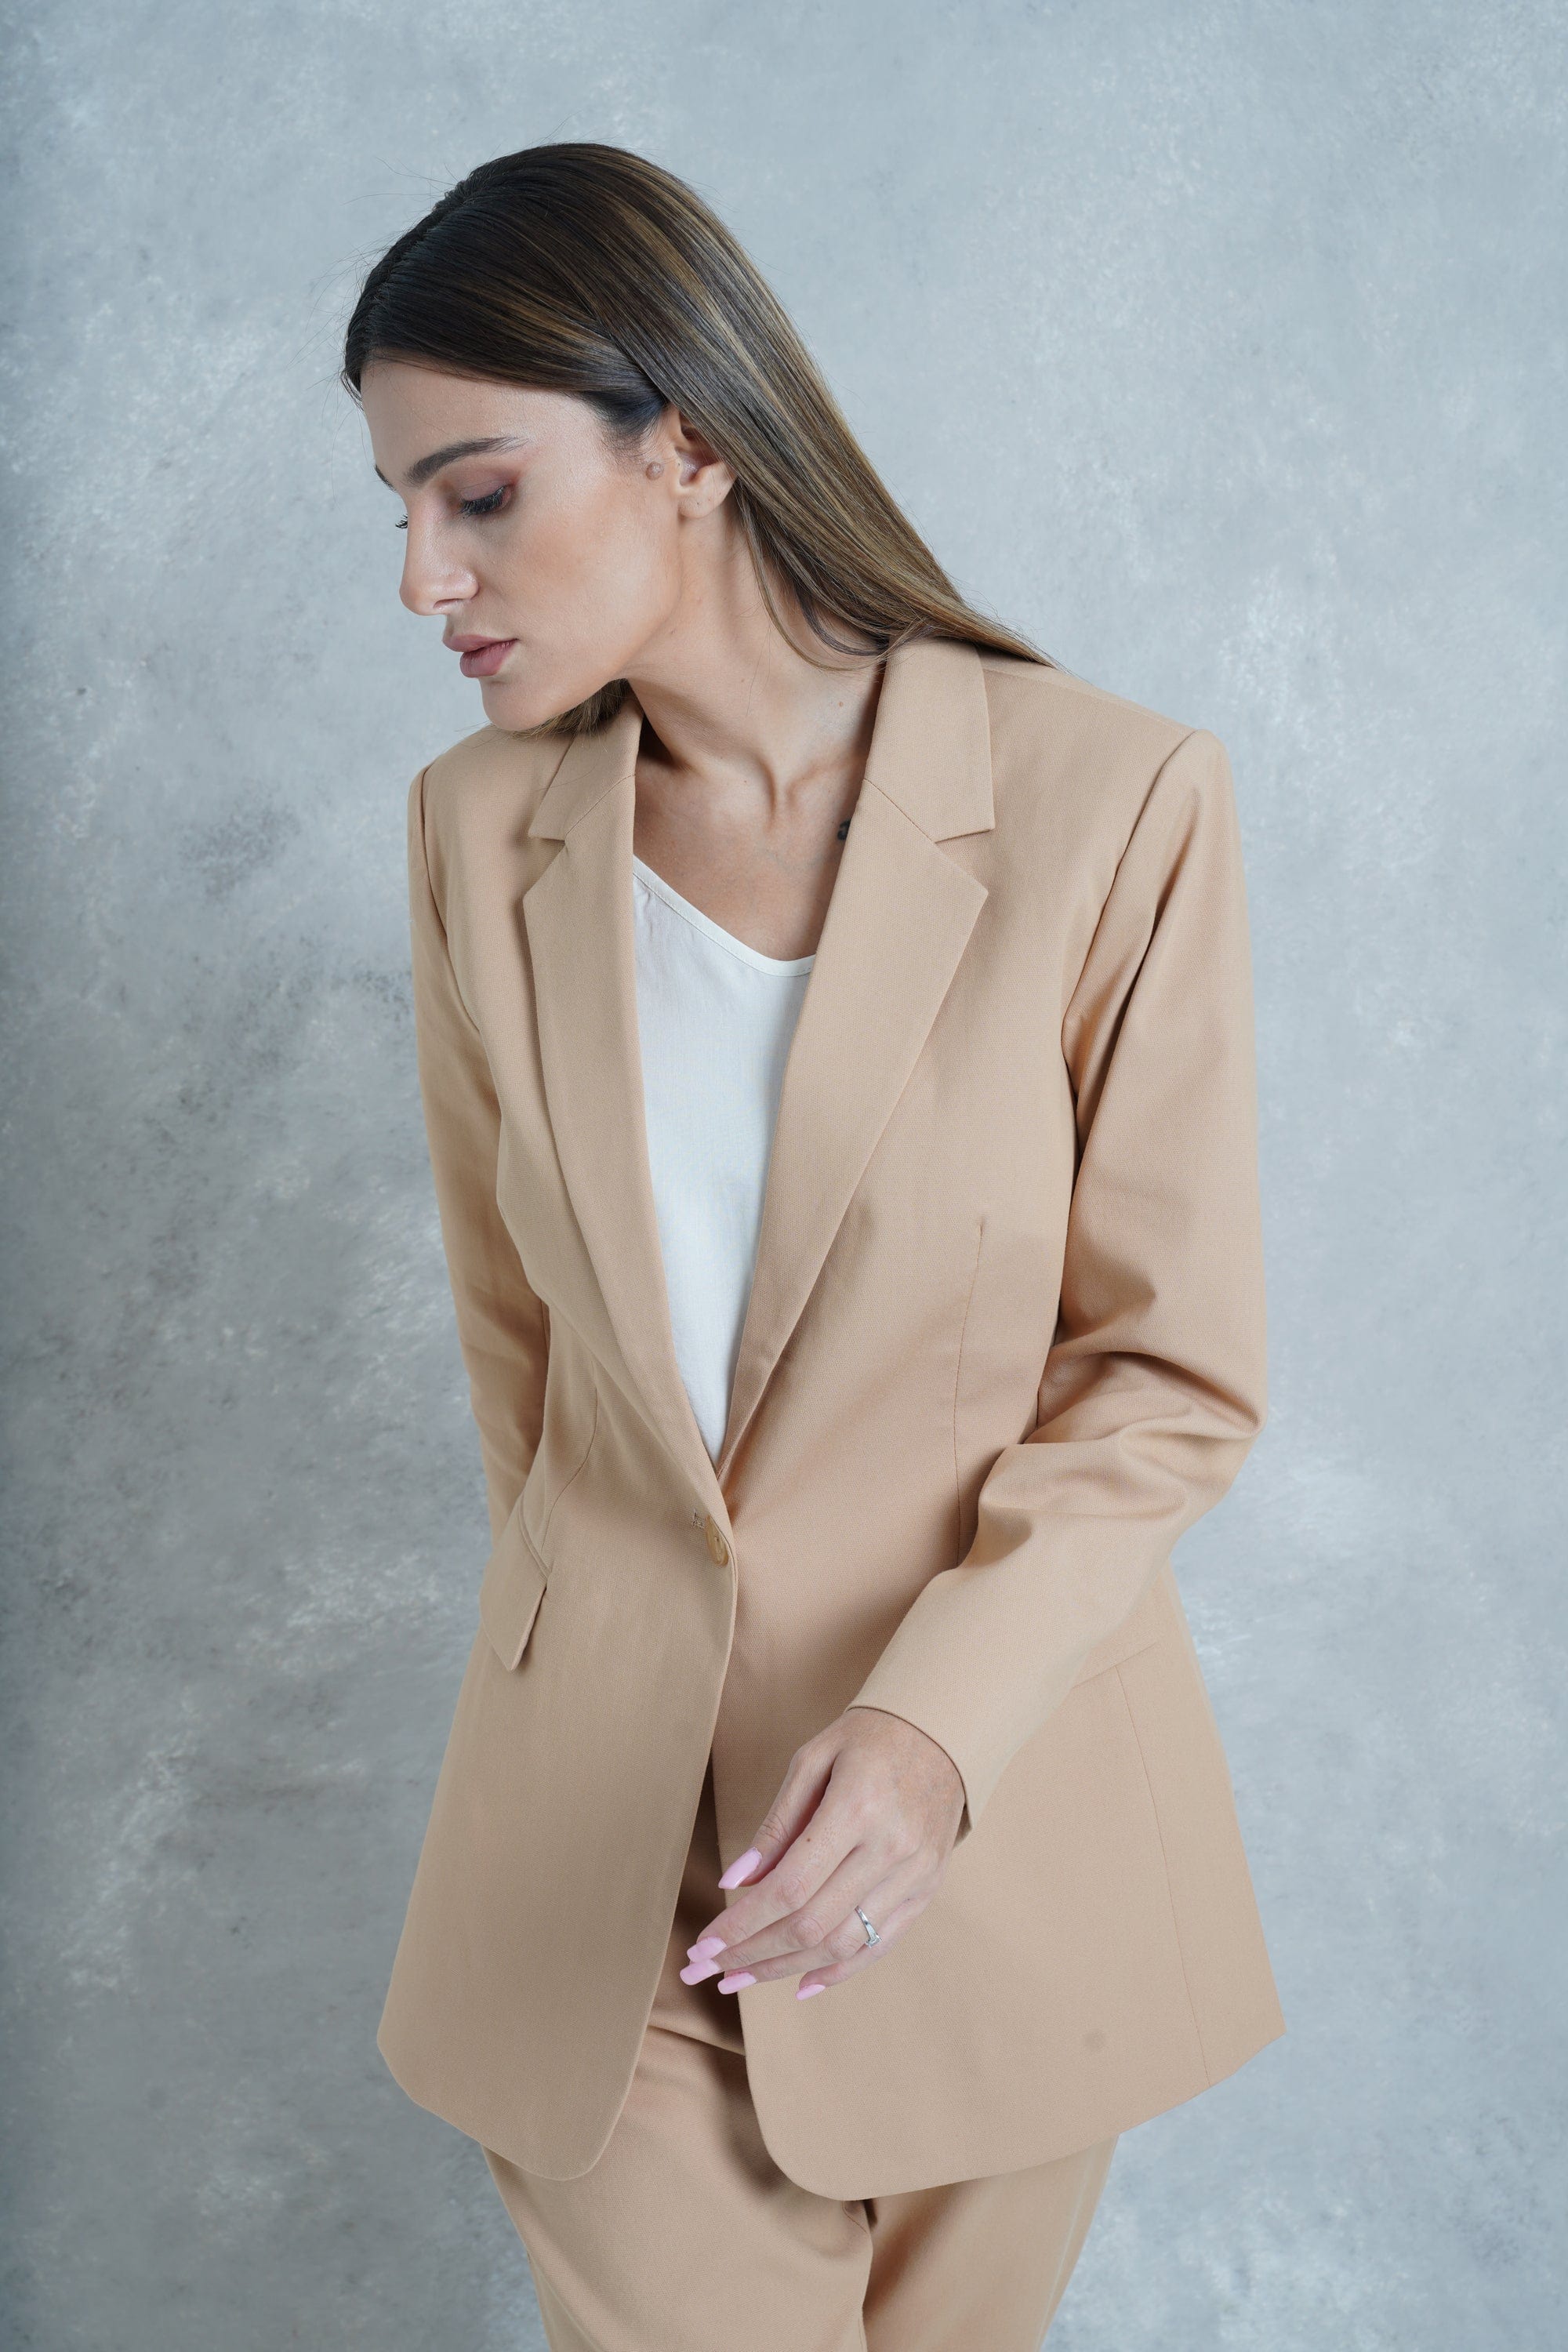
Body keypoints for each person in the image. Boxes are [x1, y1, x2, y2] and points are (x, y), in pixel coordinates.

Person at [342, 140, 1285, 2350]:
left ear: (686, 443)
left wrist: (935, 1732)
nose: (420, 578)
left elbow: (1162, 1378)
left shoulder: (1110, 802)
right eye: (395, 511)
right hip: (602, 1883)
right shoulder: (476, 835)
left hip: (993, 1845)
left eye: (476, 495)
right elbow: (523, 1361)